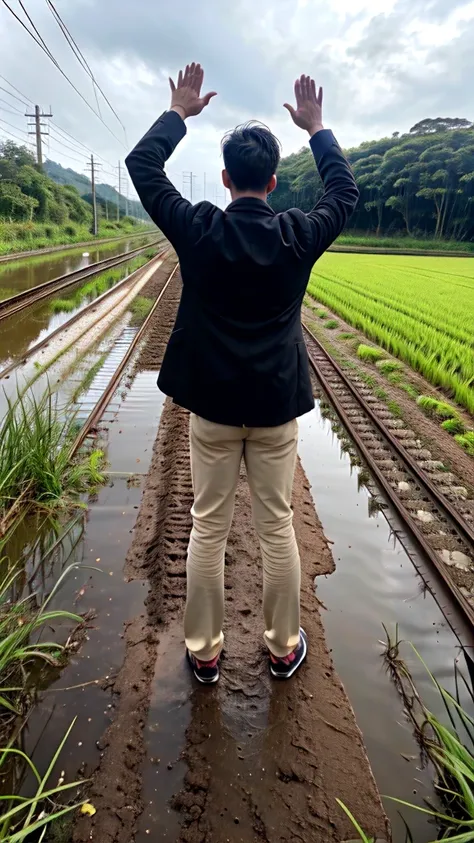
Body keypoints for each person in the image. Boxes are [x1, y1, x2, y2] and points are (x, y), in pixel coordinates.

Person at [126, 64, 359, 685]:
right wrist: (317, 129)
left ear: (226, 179)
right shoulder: (297, 234)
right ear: (274, 182)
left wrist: (178, 112)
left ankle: (205, 653)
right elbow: (344, 194)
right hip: (276, 408)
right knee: (277, 524)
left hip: (214, 410)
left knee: (208, 525)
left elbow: (143, 169)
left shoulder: (201, 229)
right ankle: (283, 648)